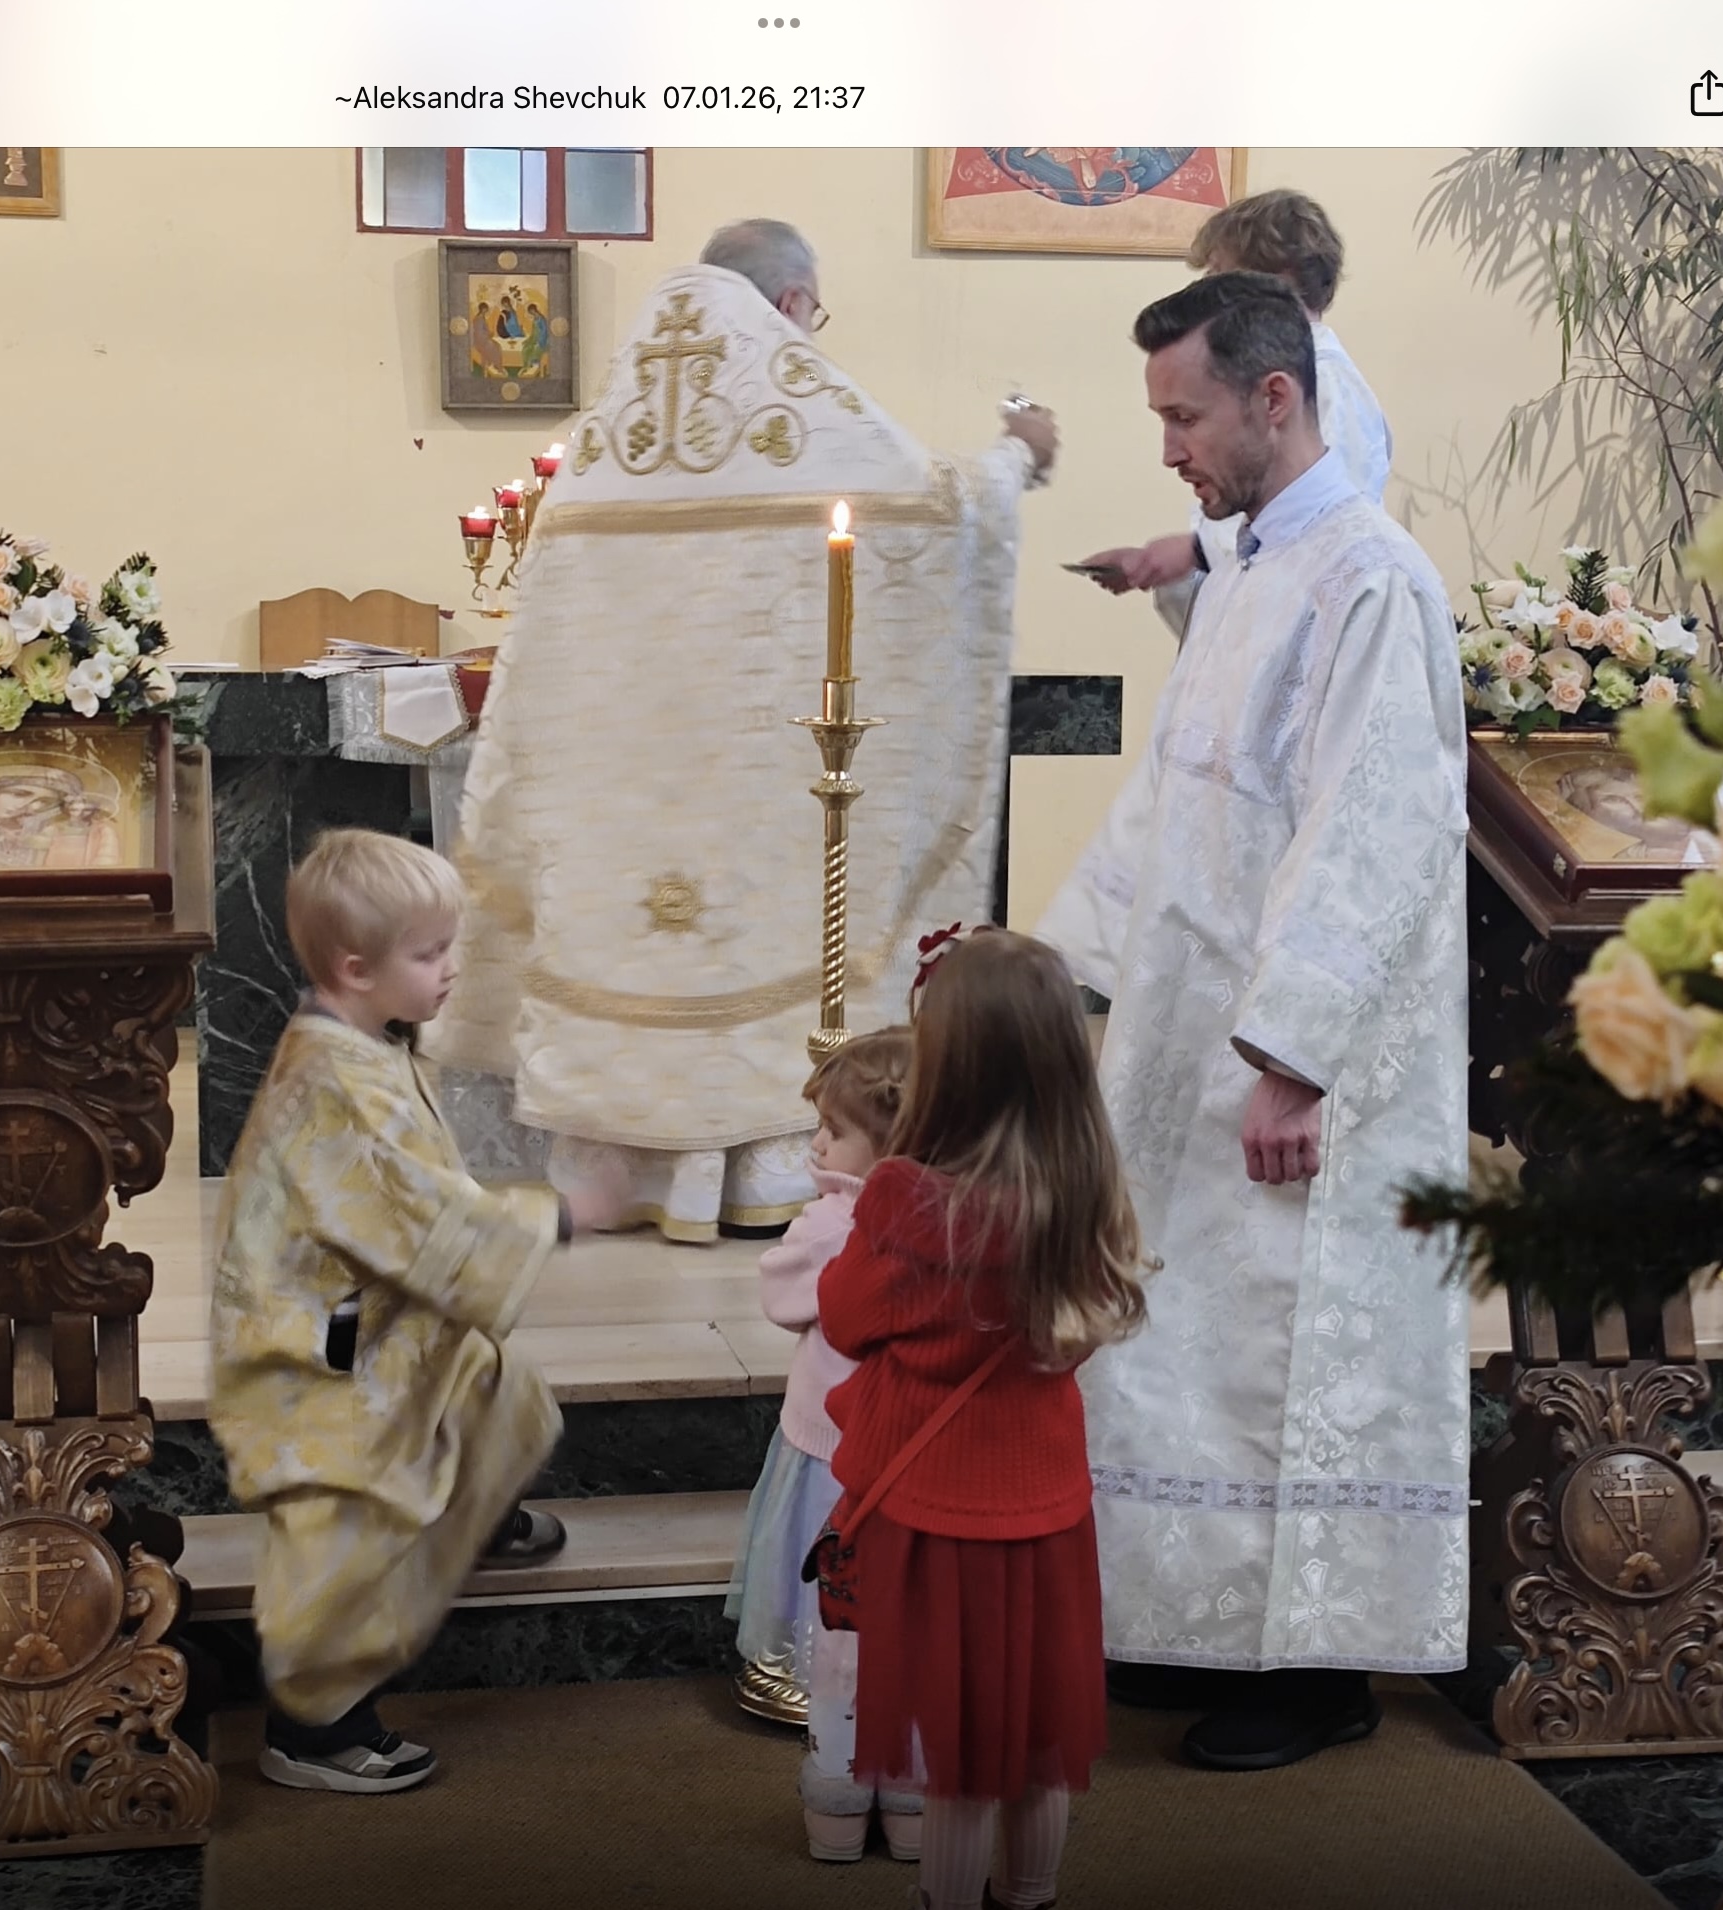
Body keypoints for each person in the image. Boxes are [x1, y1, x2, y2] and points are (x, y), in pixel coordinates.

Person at [1037, 274, 1470, 1771]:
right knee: (1189, 1344)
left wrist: (1294, 1056)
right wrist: (1076, 972)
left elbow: (1375, 829)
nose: (1168, 447)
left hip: (1297, 1064)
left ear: (1273, 398)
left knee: (1289, 1349)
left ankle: (1318, 1665)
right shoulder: (1249, 566)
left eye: (1185, 414)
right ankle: (1204, 1622)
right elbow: (1185, 794)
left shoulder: (1370, 580)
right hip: (1189, 1033)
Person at [437, 216, 1059, 1244]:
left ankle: (617, 1176)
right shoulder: (805, 413)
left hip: (621, 791)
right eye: (812, 316)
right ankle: (765, 1170)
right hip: (765, 783)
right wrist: (1015, 455)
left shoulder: (603, 445)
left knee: (631, 930)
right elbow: (942, 513)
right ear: (791, 303)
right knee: (773, 925)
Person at [208, 827, 626, 1793]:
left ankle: (474, 1515)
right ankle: (313, 1726)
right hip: (317, 1353)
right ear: (357, 969)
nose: (451, 970)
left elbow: (415, 1195)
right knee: (347, 1529)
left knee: (493, 1388)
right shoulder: (334, 1080)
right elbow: (420, 1218)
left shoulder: (358, 1040)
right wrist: (560, 1214)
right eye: (431, 954)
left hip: (370, 1317)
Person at [820, 930, 1149, 1910]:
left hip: (938, 1519)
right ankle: (1031, 1896)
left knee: (962, 1765)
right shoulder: (1083, 1190)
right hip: (1047, 1511)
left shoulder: (904, 1199)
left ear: (945, 1066)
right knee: (1040, 1751)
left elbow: (845, 1320)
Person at [722, 1026, 924, 1862]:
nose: (815, 1146)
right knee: (911, 1627)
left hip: (831, 1454)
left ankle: (838, 1790)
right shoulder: (951, 1219)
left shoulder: (834, 1221)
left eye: (833, 1132)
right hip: (911, 1460)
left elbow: (782, 1297)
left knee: (839, 1626)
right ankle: (910, 1792)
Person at [1076, 190, 1394, 639]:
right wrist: (1178, 558)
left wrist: (1195, 551)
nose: (1208, 295)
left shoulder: (1327, 382)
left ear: (1274, 276)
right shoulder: (1287, 373)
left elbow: (1326, 521)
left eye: (1217, 275)